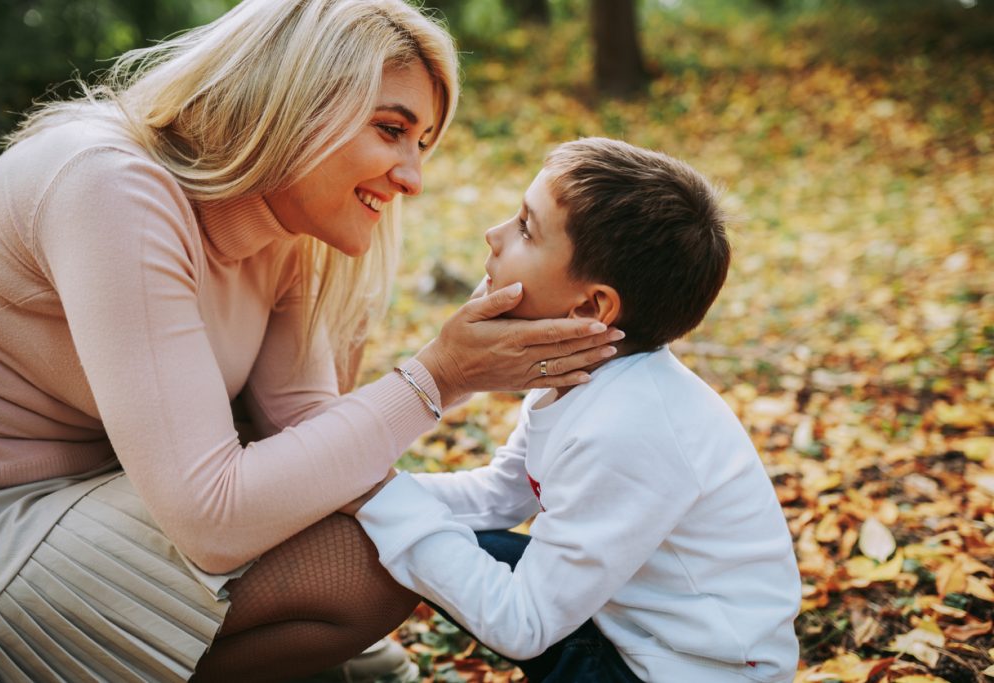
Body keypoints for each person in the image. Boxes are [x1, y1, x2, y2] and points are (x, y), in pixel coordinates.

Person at [0, 2, 622, 681]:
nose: (411, 177)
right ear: (296, 100)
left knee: (388, 536)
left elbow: (309, 433)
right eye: (391, 130)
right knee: (367, 559)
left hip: (105, 504)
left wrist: (461, 385)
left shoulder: (284, 234)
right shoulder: (108, 184)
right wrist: (439, 377)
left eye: (422, 143)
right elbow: (213, 519)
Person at [344, 138, 803, 682]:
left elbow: (524, 623)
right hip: (622, 631)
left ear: (591, 305)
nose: (493, 236)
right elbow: (499, 496)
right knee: (422, 536)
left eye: (524, 228)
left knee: (422, 541)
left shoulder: (629, 427)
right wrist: (360, 488)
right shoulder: (578, 374)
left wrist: (378, 495)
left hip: (674, 671)